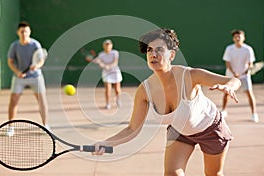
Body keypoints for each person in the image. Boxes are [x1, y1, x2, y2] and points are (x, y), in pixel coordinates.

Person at [93, 28, 241, 176]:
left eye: (159, 50)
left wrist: (228, 86)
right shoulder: (144, 90)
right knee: (172, 174)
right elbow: (132, 129)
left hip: (211, 129)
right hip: (179, 132)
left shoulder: (190, 75)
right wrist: (106, 143)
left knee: (213, 174)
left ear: (172, 55)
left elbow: (234, 80)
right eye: (149, 50)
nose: (153, 54)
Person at [7, 21, 49, 135]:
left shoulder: (35, 44)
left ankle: (46, 125)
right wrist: (17, 72)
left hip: (36, 76)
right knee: (13, 100)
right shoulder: (14, 46)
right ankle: (10, 127)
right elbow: (10, 61)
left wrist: (36, 66)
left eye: (26, 31)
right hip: (19, 77)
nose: (24, 33)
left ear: (29, 32)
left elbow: (41, 60)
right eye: (22, 31)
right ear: (18, 32)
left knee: (42, 101)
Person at [221, 30, 259, 123]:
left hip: (244, 76)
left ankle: (254, 114)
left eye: (239, 36)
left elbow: (250, 64)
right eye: (236, 37)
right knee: (226, 93)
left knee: (249, 94)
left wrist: (245, 71)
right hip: (231, 76)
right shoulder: (229, 49)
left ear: (243, 38)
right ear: (233, 39)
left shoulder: (248, 49)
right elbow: (228, 63)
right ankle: (224, 111)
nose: (237, 38)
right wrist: (234, 73)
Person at [88, 39, 123, 109]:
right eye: (106, 45)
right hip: (106, 73)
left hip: (115, 72)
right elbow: (99, 62)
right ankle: (108, 103)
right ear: (104, 46)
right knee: (108, 89)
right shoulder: (101, 54)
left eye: (109, 44)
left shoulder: (115, 52)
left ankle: (118, 100)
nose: (108, 46)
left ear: (111, 46)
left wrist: (109, 66)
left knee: (117, 89)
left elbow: (115, 62)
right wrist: (101, 63)